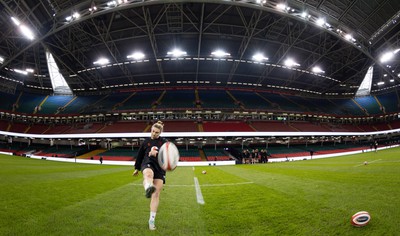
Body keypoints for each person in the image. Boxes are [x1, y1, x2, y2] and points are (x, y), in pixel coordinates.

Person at [132, 121, 167, 231]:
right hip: (147, 163)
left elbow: (168, 155)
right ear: (150, 130)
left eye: (157, 132)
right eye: (152, 131)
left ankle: (151, 220)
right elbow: (139, 156)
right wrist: (137, 168)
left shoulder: (164, 142)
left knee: (156, 194)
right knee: (148, 174)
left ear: (160, 132)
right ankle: (148, 187)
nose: (154, 134)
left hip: (160, 168)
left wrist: (161, 155)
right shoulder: (146, 142)